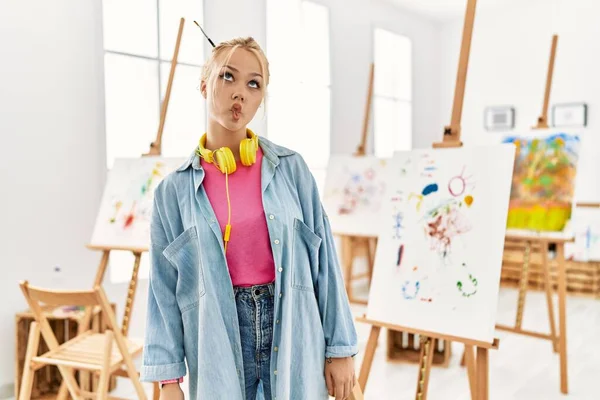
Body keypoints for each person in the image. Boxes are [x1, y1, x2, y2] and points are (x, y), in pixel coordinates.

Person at [140, 36, 358, 400]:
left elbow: (326, 266)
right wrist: (167, 381)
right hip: (218, 337)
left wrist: (341, 348)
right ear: (204, 84)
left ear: (262, 96)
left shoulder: (292, 171)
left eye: (253, 83)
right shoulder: (171, 194)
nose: (240, 92)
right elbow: (162, 293)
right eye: (228, 77)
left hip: (291, 326)